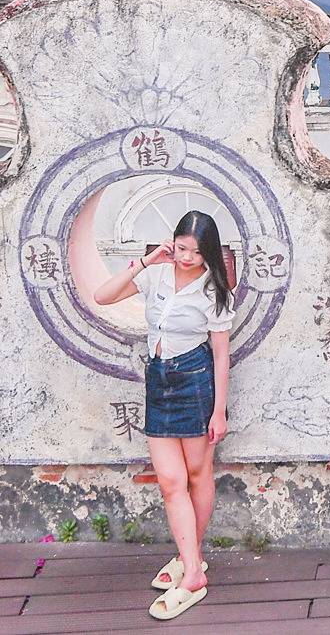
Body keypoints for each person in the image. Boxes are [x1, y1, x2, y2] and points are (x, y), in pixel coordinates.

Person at [93, 211, 234, 620]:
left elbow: (221, 356)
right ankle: (192, 567)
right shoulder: (156, 274)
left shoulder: (215, 292)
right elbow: (103, 296)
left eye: (196, 252)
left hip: (195, 382)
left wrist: (218, 411)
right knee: (171, 482)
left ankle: (191, 565)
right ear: (172, 243)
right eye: (181, 248)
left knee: (197, 475)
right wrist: (146, 260)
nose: (187, 257)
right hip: (158, 381)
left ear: (209, 253)